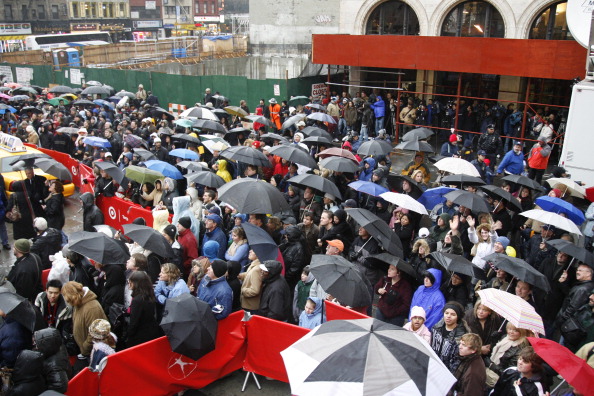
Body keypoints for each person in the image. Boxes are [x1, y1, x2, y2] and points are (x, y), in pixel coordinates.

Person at [61, 281, 107, 369]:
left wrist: (85, 348)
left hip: (94, 353)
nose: (69, 303)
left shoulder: (92, 308)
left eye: (70, 300)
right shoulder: (78, 304)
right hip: (87, 351)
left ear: (74, 296)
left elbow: (96, 332)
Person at [485, 322, 531, 389]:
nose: (511, 332)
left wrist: (491, 365)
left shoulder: (520, 349)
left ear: (522, 333)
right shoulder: (505, 338)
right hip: (488, 372)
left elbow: (509, 373)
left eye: (515, 330)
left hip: (497, 380)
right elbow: (493, 353)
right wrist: (493, 341)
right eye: (509, 329)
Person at [34, 279, 74, 352]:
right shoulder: (40, 298)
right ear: (46, 291)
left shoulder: (67, 306)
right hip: (43, 331)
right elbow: (37, 318)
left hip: (57, 334)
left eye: (56, 293)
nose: (53, 296)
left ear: (60, 292)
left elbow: (66, 328)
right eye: (50, 292)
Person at [430, 301, 468, 373]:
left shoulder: (461, 336)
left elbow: (458, 360)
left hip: (448, 372)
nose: (448, 316)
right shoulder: (436, 328)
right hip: (433, 367)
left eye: (453, 314)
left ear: (458, 317)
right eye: (446, 313)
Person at [32, 327, 71, 393]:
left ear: (46, 345)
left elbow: (60, 387)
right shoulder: (57, 347)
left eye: (36, 343)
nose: (33, 344)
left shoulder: (54, 366)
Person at [8, 239, 43, 303]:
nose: (13, 248)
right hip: (38, 290)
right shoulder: (35, 256)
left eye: (14, 247)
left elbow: (23, 291)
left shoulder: (23, 270)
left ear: (18, 250)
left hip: (30, 299)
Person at [239, 249, 263, 313]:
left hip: (250, 306)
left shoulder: (257, 269)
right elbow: (249, 274)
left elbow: (255, 290)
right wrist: (240, 276)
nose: (250, 251)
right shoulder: (254, 264)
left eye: (253, 250)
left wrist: (243, 290)